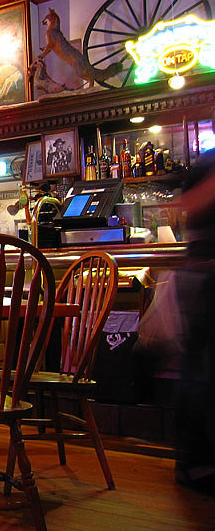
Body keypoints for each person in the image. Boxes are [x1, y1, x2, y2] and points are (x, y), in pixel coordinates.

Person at [173, 148, 215, 493]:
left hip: (201, 272)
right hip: (205, 274)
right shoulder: (210, 162)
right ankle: (195, 461)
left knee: (201, 370)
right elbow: (188, 203)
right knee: (202, 372)